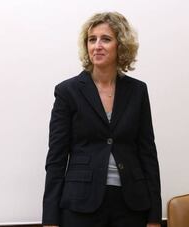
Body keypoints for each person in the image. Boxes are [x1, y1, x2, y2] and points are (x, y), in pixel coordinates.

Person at [42, 12, 161, 227]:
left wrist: (154, 216)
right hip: (80, 203)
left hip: (131, 203)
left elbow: (148, 153)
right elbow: (56, 158)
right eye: (92, 39)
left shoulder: (138, 91)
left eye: (105, 39)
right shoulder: (67, 91)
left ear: (121, 45)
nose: (97, 45)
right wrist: (50, 219)